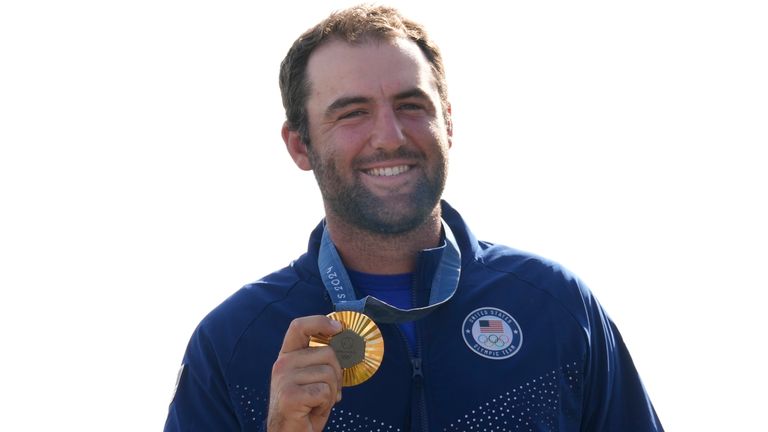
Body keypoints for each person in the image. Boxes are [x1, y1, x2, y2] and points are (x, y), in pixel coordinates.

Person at [164, 4, 663, 431]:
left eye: (410, 105)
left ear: (448, 122)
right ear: (300, 144)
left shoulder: (556, 307)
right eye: (352, 112)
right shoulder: (233, 343)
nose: (390, 136)